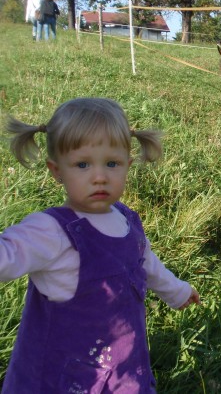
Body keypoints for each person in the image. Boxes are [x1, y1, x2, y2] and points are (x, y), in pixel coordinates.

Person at [0, 97, 200, 393]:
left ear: (128, 165)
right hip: (64, 375)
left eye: (112, 163)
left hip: (122, 362)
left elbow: (146, 263)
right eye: (82, 164)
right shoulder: (51, 231)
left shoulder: (125, 220)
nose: (99, 177)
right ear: (56, 170)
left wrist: (177, 290)